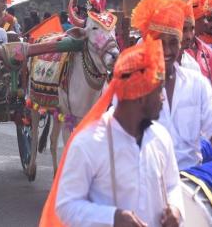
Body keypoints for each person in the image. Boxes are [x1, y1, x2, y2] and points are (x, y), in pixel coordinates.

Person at [40, 37, 184, 227]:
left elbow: (173, 185)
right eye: (158, 90)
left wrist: (175, 208)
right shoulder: (88, 144)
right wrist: (112, 218)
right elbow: (66, 206)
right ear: (140, 95)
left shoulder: (161, 137)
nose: (163, 98)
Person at [132, 0, 212, 170]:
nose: (168, 51)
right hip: (149, 180)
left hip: (192, 179)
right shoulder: (132, 86)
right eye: (161, 43)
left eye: (173, 42)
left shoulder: (197, 83)